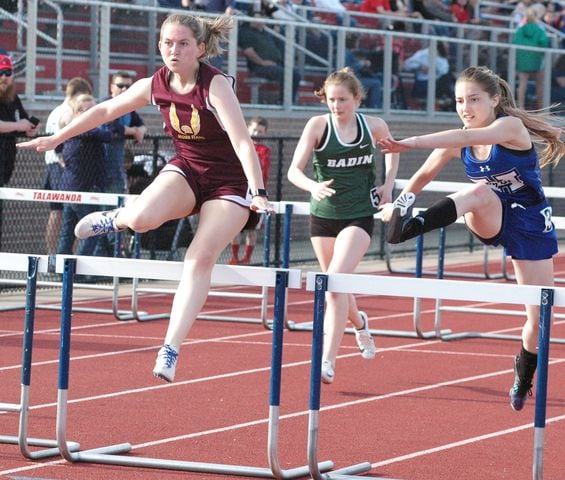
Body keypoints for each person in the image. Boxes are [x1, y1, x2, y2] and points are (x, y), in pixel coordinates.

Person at [18, 14, 273, 383]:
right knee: (141, 219)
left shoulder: (214, 85)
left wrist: (258, 191)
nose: (174, 50)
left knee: (199, 257)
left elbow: (241, 141)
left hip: (230, 183)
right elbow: (106, 110)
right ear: (159, 46)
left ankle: (170, 347)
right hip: (188, 169)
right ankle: (119, 218)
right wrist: (57, 138)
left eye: (183, 43)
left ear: (200, 49)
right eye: (168, 43)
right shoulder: (156, 83)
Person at [377, 65, 564, 411]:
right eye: (460, 101)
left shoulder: (509, 127)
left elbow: (463, 138)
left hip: (530, 225)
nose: (466, 108)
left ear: (494, 99)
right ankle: (412, 227)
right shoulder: (462, 136)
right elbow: (423, 175)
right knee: (478, 192)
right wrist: (400, 203)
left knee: (539, 318)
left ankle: (524, 372)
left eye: (474, 99)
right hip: (491, 213)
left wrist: (409, 142)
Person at [288, 67, 400, 384]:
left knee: (334, 284)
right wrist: (312, 186)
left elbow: (393, 151)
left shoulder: (374, 125)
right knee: (336, 288)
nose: (336, 106)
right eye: (331, 100)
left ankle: (327, 360)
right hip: (323, 214)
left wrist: (388, 184)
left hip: (359, 214)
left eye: (343, 100)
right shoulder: (318, 126)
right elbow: (294, 171)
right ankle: (360, 324)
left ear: (357, 99)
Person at [56, 94, 111, 257]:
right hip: (79, 189)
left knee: (68, 231)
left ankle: (64, 268)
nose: (95, 113)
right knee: (94, 229)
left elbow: (58, 148)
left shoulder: (75, 130)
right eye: (90, 110)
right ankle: (78, 269)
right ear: (79, 113)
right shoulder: (81, 128)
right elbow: (107, 135)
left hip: (74, 188)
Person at [44, 77, 93, 254]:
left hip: (53, 163)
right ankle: (54, 254)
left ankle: (54, 254)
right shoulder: (67, 112)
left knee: (60, 213)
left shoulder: (56, 110)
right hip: (61, 166)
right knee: (61, 212)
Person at [0, 53, 39, 249]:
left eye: (8, 73)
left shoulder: (12, 97)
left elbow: (23, 120)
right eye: (0, 73)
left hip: (6, 162)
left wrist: (30, 127)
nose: (4, 77)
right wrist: (17, 125)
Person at [229, 116, 271, 265]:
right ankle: (234, 256)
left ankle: (247, 257)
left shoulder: (264, 151)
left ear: (265, 133)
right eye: (254, 130)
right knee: (235, 228)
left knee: (251, 230)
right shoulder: (240, 146)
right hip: (240, 191)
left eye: (260, 131)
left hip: (256, 194)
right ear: (248, 129)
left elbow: (261, 168)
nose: (257, 134)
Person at [238, 9, 302, 104]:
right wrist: (263, 63)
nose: (262, 20)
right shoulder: (246, 32)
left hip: (275, 65)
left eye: (263, 18)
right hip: (259, 67)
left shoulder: (266, 33)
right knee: (284, 74)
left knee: (296, 74)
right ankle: (283, 101)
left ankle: (290, 101)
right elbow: (249, 52)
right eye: (258, 18)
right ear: (251, 20)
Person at [101, 71, 147, 194]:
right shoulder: (106, 103)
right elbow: (113, 127)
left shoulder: (128, 107)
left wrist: (140, 131)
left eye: (128, 87)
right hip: (100, 166)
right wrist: (133, 131)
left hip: (117, 166)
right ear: (112, 87)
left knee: (118, 201)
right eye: (120, 86)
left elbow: (140, 124)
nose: (124, 89)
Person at [513, 7, 549, 110]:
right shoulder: (540, 30)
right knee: (540, 84)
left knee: (522, 84)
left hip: (522, 60)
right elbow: (544, 44)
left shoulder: (520, 29)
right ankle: (541, 109)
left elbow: (516, 42)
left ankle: (521, 108)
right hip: (537, 60)